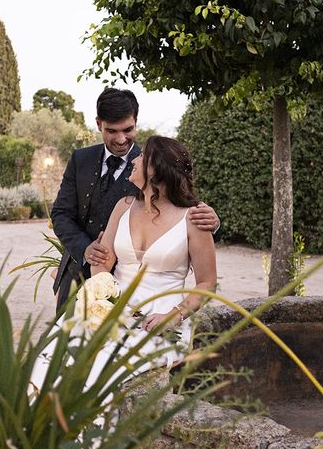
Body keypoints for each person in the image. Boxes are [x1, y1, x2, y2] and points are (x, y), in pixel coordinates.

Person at [30, 136, 216, 394]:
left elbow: (207, 283)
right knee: (50, 357)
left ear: (156, 170)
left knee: (99, 369)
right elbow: (102, 264)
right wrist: (104, 297)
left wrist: (174, 315)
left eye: (142, 157)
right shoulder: (124, 206)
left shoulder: (194, 217)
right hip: (109, 307)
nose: (135, 159)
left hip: (157, 318)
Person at [50, 88, 219, 312]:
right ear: (99, 124)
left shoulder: (152, 164)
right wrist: (85, 249)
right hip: (77, 275)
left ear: (136, 122)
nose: (121, 139)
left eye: (128, 129)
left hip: (143, 301)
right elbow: (60, 213)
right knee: (65, 343)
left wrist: (214, 224)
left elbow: (182, 212)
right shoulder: (81, 159)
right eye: (112, 131)